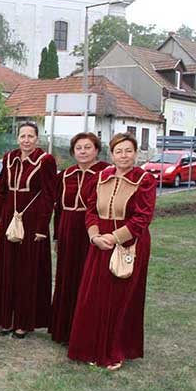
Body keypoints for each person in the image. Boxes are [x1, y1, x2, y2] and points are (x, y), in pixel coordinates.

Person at [68, 133, 156, 370]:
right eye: (119, 151)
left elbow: (142, 218)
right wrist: (95, 236)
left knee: (119, 298)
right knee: (94, 297)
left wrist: (114, 238)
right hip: (99, 243)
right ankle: (89, 348)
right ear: (112, 154)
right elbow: (91, 210)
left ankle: (114, 350)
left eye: (128, 151)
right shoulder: (101, 177)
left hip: (128, 243)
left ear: (135, 154)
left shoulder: (145, 179)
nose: (123, 156)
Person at [0, 121, 57, 339]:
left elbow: (49, 195)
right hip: (10, 217)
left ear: (37, 138)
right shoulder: (9, 158)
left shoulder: (46, 160)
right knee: (7, 269)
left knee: (26, 271)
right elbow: (1, 191)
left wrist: (42, 227)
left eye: (30, 136)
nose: (26, 140)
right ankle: (6, 319)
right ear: (17, 138)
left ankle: (23, 321)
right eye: (23, 136)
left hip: (31, 220)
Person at [50, 132, 109, 344]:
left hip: (91, 230)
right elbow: (58, 209)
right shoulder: (65, 175)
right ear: (73, 151)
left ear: (96, 150)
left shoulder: (105, 173)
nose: (83, 152)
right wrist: (57, 237)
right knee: (67, 277)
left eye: (87, 147)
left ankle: (85, 331)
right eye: (79, 148)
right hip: (67, 228)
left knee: (89, 278)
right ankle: (64, 329)